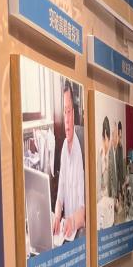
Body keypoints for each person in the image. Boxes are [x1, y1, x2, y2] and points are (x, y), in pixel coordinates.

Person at [52, 82, 85, 241]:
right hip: (67, 231)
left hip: (79, 232)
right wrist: (57, 216)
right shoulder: (64, 148)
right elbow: (60, 194)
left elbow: (84, 211)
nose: (66, 119)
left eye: (69, 111)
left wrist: (71, 221)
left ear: (75, 114)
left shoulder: (82, 151)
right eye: (63, 112)